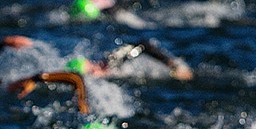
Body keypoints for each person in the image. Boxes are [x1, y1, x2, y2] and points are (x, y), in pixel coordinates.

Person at [60, 40, 193, 81]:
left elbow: (144, 45)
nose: (95, 74)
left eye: (92, 72)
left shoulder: (112, 61)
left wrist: (172, 65)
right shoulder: (111, 72)